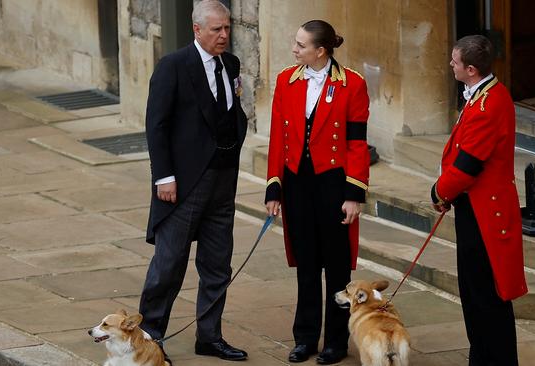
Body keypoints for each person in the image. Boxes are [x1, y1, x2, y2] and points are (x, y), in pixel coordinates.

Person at [140, 0, 248, 362]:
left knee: (218, 264)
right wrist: (164, 177)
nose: (224, 35)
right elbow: (156, 126)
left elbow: (232, 115)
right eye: (217, 29)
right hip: (183, 184)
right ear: (197, 30)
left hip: (222, 180)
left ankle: (210, 336)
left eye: (228, 28)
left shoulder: (230, 64)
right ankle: (148, 337)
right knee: (168, 265)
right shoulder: (173, 66)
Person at [264, 20, 370, 365]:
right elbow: (277, 138)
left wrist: (354, 194)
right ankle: (305, 338)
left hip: (334, 185)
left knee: (337, 267)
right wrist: (274, 188)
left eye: (300, 45)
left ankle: (336, 341)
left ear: (320, 51)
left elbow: (356, 143)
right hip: (297, 184)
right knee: (306, 264)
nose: (294, 50)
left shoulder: (352, 84)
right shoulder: (286, 80)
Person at [430, 34, 528, 366]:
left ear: (470, 69)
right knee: (474, 295)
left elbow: (468, 165)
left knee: (487, 297)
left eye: (455, 61)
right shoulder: (482, 95)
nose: (450, 65)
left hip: (486, 214)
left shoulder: (489, 104)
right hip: (473, 207)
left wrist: (439, 192)